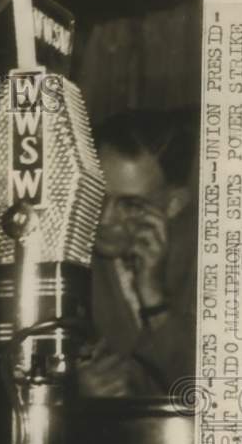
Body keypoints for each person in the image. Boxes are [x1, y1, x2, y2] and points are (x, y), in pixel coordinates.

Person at [80, 108, 198, 398]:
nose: (104, 219)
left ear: (174, 204)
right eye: (96, 195)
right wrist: (73, 389)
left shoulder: (211, 260)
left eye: (130, 205)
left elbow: (219, 393)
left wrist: (154, 298)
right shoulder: (71, 254)